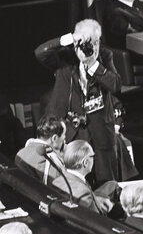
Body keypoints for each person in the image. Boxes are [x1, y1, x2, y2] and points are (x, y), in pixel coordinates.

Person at [35, 20, 121, 183]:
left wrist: (93, 64)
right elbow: (40, 53)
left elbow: (115, 85)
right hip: (69, 131)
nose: (93, 47)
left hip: (100, 130)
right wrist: (68, 40)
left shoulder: (105, 56)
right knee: (73, 182)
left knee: (107, 184)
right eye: (88, 42)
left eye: (96, 42)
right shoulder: (64, 57)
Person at [52, 140, 118, 214]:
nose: (94, 159)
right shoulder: (84, 193)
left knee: (112, 184)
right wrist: (111, 207)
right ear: (85, 162)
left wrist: (96, 200)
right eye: (92, 156)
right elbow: (94, 220)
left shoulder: (57, 181)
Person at [15, 115, 66, 185]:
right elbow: (62, 189)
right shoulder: (51, 160)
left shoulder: (20, 153)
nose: (64, 139)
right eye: (64, 135)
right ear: (54, 138)